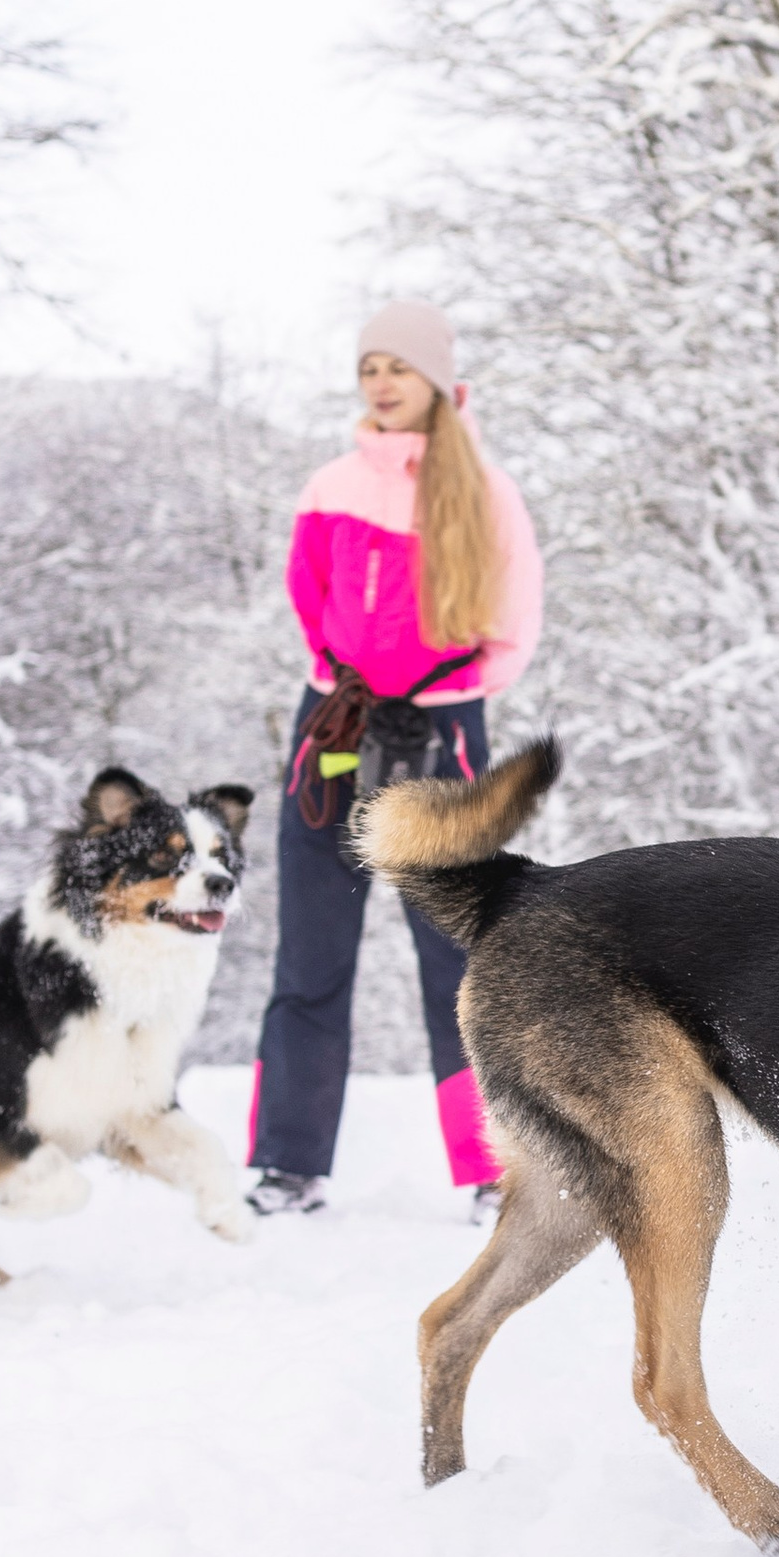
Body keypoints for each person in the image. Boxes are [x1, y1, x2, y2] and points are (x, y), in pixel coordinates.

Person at [246, 301, 542, 1217]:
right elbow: (309, 596)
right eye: (369, 365)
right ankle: (289, 1165)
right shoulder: (330, 482)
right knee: (311, 953)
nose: (380, 381)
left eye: (398, 367)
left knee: (460, 961)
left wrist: (439, 697)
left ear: (436, 381)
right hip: (335, 730)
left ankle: (494, 1168)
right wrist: (348, 690)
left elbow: (515, 624)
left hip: (444, 736)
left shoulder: (487, 492)